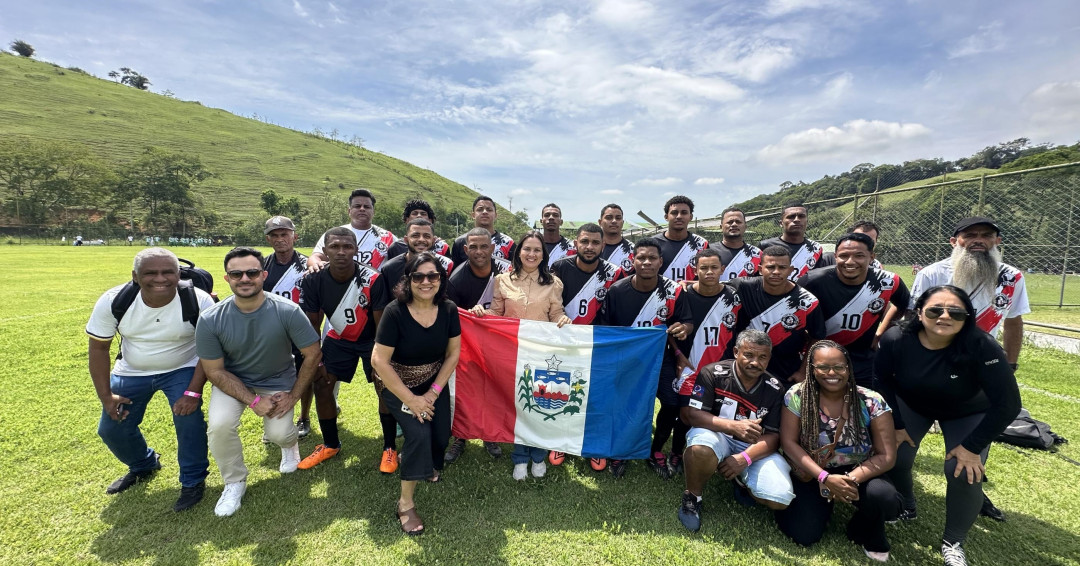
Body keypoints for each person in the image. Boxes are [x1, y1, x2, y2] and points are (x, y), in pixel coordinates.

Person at [876, 286, 1022, 566]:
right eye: (935, 310)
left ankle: (953, 541)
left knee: (962, 470)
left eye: (956, 312)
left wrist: (971, 447)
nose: (944, 316)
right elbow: (882, 380)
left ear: (967, 317)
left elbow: (1008, 405)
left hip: (966, 411)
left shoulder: (982, 345)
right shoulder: (896, 338)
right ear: (919, 312)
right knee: (895, 454)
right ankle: (906, 504)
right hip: (914, 404)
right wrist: (895, 423)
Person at [909, 216, 1029, 522]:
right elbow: (912, 321)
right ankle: (901, 493)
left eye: (986, 235)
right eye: (969, 235)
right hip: (930, 366)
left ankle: (974, 494)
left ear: (997, 241)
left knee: (972, 445)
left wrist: (1010, 364)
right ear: (954, 242)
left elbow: (1014, 321)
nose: (978, 240)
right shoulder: (932, 274)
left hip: (977, 372)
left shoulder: (1012, 278)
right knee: (905, 443)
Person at [196, 247, 322, 517]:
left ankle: (289, 446)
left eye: (252, 272)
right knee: (219, 426)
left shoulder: (287, 310)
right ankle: (234, 482)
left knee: (278, 434)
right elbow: (215, 372)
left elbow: (312, 354)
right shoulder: (210, 319)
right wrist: (252, 401)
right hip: (233, 382)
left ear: (263, 275)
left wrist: (294, 396)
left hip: (277, 379)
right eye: (236, 273)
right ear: (226, 278)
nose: (245, 278)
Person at [86, 248, 215, 512]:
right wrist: (105, 396)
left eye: (168, 272)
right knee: (111, 428)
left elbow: (210, 350)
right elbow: (98, 348)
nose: (160, 278)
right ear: (135, 276)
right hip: (132, 370)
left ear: (178, 274)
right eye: (150, 273)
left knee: (188, 420)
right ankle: (144, 464)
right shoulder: (114, 301)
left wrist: (192, 392)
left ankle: (192, 481)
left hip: (183, 367)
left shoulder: (197, 300)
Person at [776, 341, 899, 562]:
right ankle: (818, 506)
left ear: (849, 368)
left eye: (839, 367)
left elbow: (887, 455)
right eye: (822, 367)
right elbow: (789, 442)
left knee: (886, 499)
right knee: (804, 535)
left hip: (858, 469)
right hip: (813, 468)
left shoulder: (871, 400)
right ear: (812, 369)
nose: (831, 373)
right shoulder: (797, 395)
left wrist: (848, 480)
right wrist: (824, 477)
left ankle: (862, 527)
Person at [372, 253, 462, 536]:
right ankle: (405, 504)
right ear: (408, 280)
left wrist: (433, 394)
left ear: (440, 279)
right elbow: (379, 361)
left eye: (432, 276)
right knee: (419, 434)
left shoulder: (448, 309)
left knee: (439, 436)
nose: (426, 282)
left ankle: (425, 464)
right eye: (418, 276)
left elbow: (453, 354)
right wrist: (412, 401)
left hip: (432, 384)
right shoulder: (394, 312)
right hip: (396, 383)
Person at [470, 231, 571, 480]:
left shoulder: (554, 283)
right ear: (518, 252)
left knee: (538, 404)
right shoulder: (502, 280)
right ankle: (519, 457)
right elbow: (497, 313)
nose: (532, 254)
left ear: (543, 255)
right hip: (511, 353)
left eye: (537, 250)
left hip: (541, 353)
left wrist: (563, 319)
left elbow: (556, 313)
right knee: (517, 405)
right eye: (527, 249)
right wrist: (480, 313)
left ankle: (537, 455)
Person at [677, 330, 793, 533]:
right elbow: (692, 415)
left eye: (762, 357)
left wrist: (744, 459)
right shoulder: (712, 373)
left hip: (751, 446)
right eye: (749, 354)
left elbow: (774, 436)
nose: (755, 362)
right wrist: (733, 426)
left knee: (779, 498)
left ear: (769, 359)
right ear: (736, 352)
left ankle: (742, 480)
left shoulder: (775, 388)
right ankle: (692, 497)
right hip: (717, 435)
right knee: (700, 449)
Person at [598, 237, 693, 479]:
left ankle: (655, 450)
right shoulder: (617, 290)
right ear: (633, 260)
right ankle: (620, 449)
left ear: (661, 262)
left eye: (652, 258)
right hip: (626, 360)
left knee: (671, 403)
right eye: (641, 257)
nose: (647, 262)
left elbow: (686, 321)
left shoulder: (674, 290)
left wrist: (684, 328)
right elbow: (607, 328)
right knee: (622, 405)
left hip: (660, 359)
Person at [297, 227, 391, 472]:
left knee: (385, 387)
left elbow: (382, 327)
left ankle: (390, 448)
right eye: (335, 247)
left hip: (371, 339)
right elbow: (312, 325)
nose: (341, 252)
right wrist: (315, 360)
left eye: (347, 246)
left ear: (356, 250)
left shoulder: (373, 279)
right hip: (338, 337)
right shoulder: (313, 279)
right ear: (325, 251)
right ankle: (330, 444)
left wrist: (381, 361)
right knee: (322, 384)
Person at [547, 223, 625, 471]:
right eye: (584, 242)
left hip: (599, 344)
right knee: (562, 391)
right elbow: (550, 302)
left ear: (603, 245)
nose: (589, 247)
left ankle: (596, 444)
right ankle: (560, 440)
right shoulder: (559, 267)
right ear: (576, 244)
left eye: (594, 242)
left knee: (597, 396)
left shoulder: (615, 272)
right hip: (565, 341)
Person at [799, 233, 910, 388]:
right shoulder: (812, 280)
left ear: (871, 257)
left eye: (859, 256)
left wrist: (881, 332)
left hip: (863, 358)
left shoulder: (888, 281)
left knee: (863, 405)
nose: (850, 262)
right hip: (820, 357)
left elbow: (904, 305)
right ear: (836, 256)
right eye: (844, 256)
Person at [444, 227, 512, 463]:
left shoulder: (507, 270)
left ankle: (489, 434)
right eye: (473, 247)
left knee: (492, 389)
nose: (479, 251)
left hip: (499, 341)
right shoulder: (457, 279)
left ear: (493, 248)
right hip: (469, 343)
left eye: (484, 246)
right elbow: (451, 316)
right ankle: (460, 436)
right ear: (465, 250)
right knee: (464, 391)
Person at [730, 246, 825, 384]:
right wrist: (685, 284)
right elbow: (710, 287)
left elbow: (817, 338)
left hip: (786, 371)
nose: (776, 272)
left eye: (782, 267)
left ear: (791, 270)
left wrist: (803, 371)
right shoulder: (743, 286)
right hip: (746, 367)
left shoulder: (807, 301)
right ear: (760, 268)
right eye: (770, 267)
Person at [261, 215, 313, 438]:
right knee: (272, 374)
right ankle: (272, 415)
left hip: (300, 330)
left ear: (294, 236)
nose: (280, 239)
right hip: (271, 331)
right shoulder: (261, 265)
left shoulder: (308, 265)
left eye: (284, 234)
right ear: (268, 239)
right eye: (275, 235)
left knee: (305, 373)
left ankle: (304, 417)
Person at [673, 249, 742, 387]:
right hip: (690, 367)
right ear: (695, 270)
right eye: (704, 268)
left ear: (722, 269)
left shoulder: (734, 296)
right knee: (685, 409)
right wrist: (678, 354)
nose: (709, 272)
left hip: (724, 367)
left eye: (714, 267)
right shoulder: (683, 295)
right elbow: (669, 328)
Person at [308, 188, 397, 271]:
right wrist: (316, 265)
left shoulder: (388, 237)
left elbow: (403, 260)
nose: (362, 209)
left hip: (375, 285)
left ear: (373, 212)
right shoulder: (334, 234)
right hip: (341, 285)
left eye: (367, 207)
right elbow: (315, 257)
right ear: (349, 211)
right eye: (357, 206)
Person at [379, 219, 454, 297]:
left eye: (426, 236)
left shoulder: (444, 265)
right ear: (406, 240)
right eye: (415, 236)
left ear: (433, 240)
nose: (421, 239)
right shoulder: (389, 269)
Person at [759, 203, 827, 282]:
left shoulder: (816, 248)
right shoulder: (765, 246)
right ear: (781, 223)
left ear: (807, 222)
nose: (797, 220)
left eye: (801, 216)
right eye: (791, 217)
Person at [654, 195, 708, 282]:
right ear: (666, 217)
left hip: (692, 295)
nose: (679, 216)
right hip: (661, 295)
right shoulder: (654, 244)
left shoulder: (701, 244)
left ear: (690, 217)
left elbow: (707, 276)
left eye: (684, 212)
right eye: (674, 213)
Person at [450, 195, 516, 265]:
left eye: (489, 209)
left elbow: (516, 271)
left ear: (495, 215)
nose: (485, 212)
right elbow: (455, 273)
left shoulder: (508, 243)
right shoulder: (460, 242)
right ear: (473, 215)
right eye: (480, 209)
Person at [386, 198, 450, 258]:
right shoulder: (396, 247)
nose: (419, 216)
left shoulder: (442, 247)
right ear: (406, 220)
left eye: (423, 214)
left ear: (430, 220)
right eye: (414, 213)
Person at [714, 206, 762, 281]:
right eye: (729, 222)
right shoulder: (709, 251)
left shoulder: (757, 254)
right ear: (721, 227)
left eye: (738, 222)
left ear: (745, 226)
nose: (734, 224)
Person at [598, 203, 634, 273]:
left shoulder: (633, 250)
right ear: (600, 222)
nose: (614, 221)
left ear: (622, 222)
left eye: (618, 218)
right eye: (609, 217)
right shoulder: (591, 249)